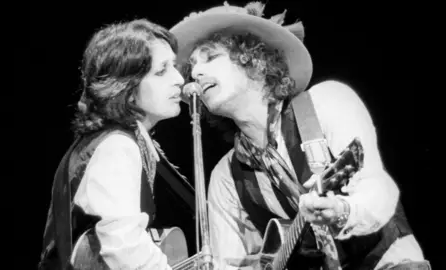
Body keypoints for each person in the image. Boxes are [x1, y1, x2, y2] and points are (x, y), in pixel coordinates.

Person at [170, 1, 429, 270]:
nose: (196, 73)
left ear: (255, 61)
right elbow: (230, 265)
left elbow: (377, 189)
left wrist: (343, 211)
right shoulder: (226, 177)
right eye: (193, 66)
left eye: (210, 57)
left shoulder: (327, 102)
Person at [38, 19, 185, 270]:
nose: (180, 79)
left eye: (175, 66)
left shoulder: (117, 141)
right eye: (162, 71)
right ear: (126, 88)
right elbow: (124, 246)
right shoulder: (117, 147)